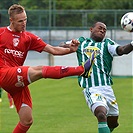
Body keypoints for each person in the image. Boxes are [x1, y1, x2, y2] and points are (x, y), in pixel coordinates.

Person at [0, 4, 96, 133]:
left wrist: (71, 50)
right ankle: (81, 70)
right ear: (11, 20)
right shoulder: (1, 33)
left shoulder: (28, 38)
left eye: (25, 19)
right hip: (3, 74)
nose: (24, 23)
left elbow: (53, 50)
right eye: (20, 21)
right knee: (38, 70)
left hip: (16, 81)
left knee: (26, 120)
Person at [61, 22, 133, 133]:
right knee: (101, 114)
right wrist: (69, 45)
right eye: (100, 28)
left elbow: (122, 50)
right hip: (92, 88)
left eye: (105, 29)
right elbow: (62, 46)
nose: (103, 30)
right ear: (91, 29)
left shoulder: (107, 44)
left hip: (107, 89)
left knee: (113, 122)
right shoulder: (82, 42)